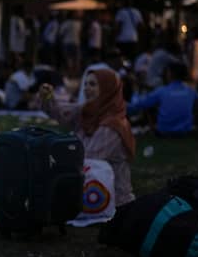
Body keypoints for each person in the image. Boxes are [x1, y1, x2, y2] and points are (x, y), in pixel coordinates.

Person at [39, 68, 136, 206]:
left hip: (112, 201)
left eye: (93, 85)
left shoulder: (113, 126)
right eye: (85, 84)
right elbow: (60, 112)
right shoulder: (89, 111)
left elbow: (86, 157)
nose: (86, 88)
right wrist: (47, 97)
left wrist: (54, 157)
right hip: (90, 190)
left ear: (107, 89)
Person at [127, 61, 198, 136]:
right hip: (186, 131)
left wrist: (124, 106)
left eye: (167, 72)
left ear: (171, 74)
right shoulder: (191, 91)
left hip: (164, 131)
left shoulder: (162, 91)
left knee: (150, 106)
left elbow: (140, 104)